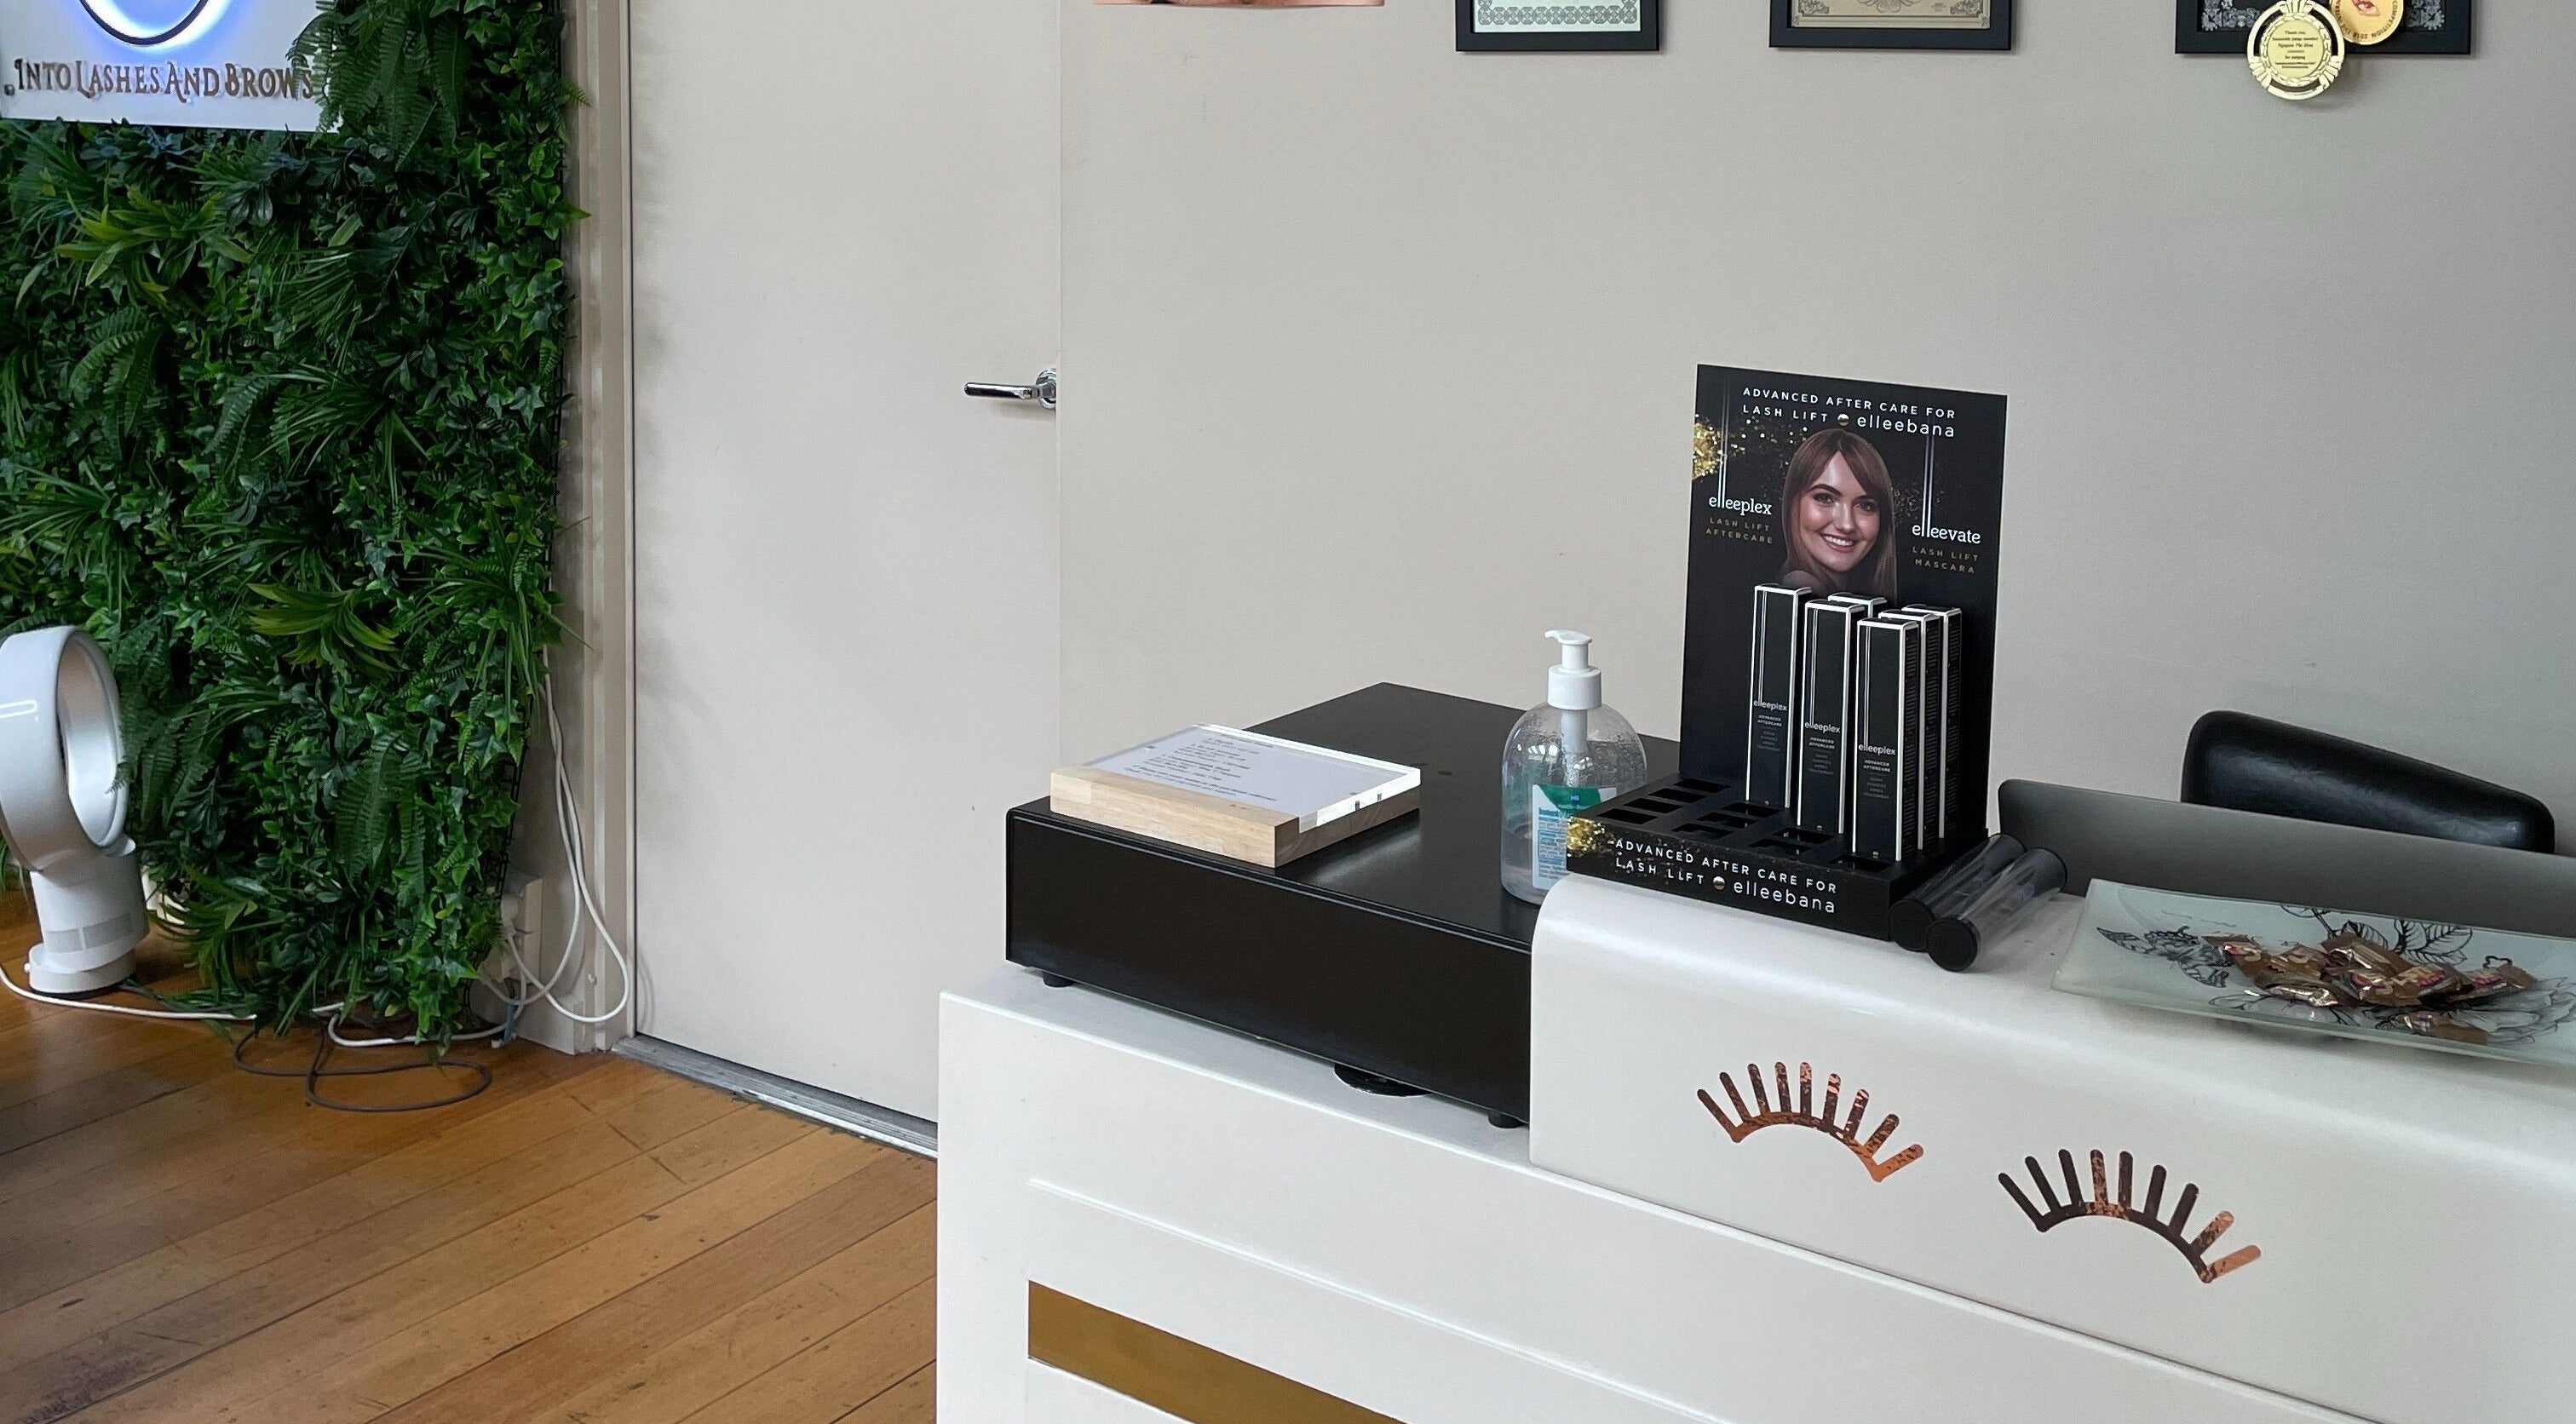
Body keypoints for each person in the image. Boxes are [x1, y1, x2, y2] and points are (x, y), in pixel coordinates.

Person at [1776, 427, 1898, 599]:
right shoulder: (1801, 589)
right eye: (1825, 498)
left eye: (1866, 506)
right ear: (1793, 503)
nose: (1846, 524)